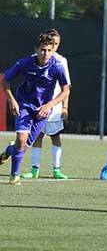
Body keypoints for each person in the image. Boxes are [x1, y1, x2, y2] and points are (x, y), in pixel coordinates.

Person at [0, 32, 70, 185]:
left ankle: (8, 151)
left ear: (53, 51)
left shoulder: (57, 66)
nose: (45, 53)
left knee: (23, 146)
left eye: (49, 50)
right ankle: (14, 176)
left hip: (43, 110)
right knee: (21, 139)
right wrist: (12, 101)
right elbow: (5, 81)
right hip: (24, 105)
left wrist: (50, 105)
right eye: (42, 50)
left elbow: (66, 90)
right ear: (36, 49)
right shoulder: (25, 63)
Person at [21, 29, 71, 180]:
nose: (54, 46)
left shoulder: (61, 61)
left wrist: (64, 107)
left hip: (54, 106)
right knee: (38, 136)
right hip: (37, 104)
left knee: (55, 136)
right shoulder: (35, 59)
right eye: (52, 43)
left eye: (56, 44)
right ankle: (34, 170)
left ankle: (56, 169)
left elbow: (66, 87)